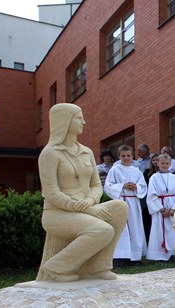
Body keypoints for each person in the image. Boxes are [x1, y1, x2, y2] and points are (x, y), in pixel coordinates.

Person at [36, 103, 128, 282]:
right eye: (79, 118)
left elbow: (96, 185)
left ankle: (98, 267)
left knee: (120, 207)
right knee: (102, 230)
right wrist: (88, 209)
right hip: (58, 214)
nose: (84, 122)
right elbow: (51, 193)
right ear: (66, 121)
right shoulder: (50, 154)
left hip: (85, 208)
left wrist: (89, 201)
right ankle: (58, 266)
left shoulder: (86, 152)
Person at [104, 144, 148, 263]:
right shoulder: (115, 170)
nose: (126, 158)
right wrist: (122, 186)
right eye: (123, 156)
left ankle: (135, 257)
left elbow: (143, 186)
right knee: (122, 228)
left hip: (133, 201)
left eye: (128, 155)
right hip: (121, 201)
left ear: (132, 156)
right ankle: (121, 257)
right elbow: (108, 186)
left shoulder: (136, 171)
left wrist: (136, 186)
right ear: (119, 157)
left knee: (135, 228)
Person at [146, 154, 175, 261]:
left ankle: (172, 253)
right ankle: (159, 255)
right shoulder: (154, 178)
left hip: (172, 206)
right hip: (160, 208)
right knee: (159, 230)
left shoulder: (174, 178)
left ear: (170, 164)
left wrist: (174, 208)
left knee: (172, 231)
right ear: (158, 164)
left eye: (167, 163)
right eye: (162, 163)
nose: (164, 165)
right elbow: (151, 195)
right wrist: (162, 209)